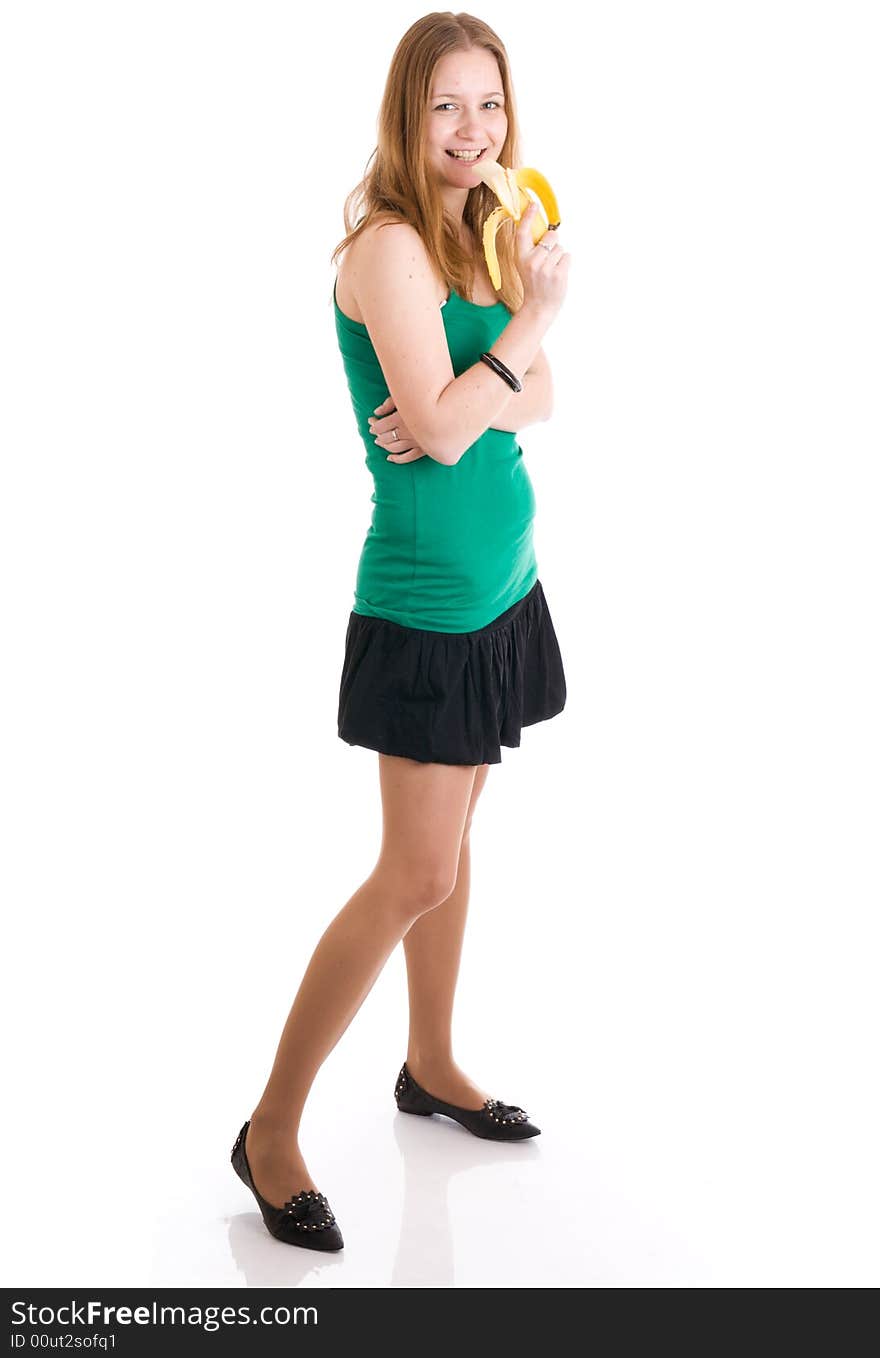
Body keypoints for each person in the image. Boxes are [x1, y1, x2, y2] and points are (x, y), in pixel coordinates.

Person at [231, 13, 572, 1251]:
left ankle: (429, 1059)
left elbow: (542, 401)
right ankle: (269, 1128)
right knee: (413, 870)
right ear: (405, 117)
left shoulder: (483, 227)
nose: (471, 130)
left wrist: (477, 389)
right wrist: (521, 337)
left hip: (503, 585)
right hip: (425, 601)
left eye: (488, 105)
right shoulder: (385, 249)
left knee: (459, 832)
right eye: (444, 109)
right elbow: (442, 425)